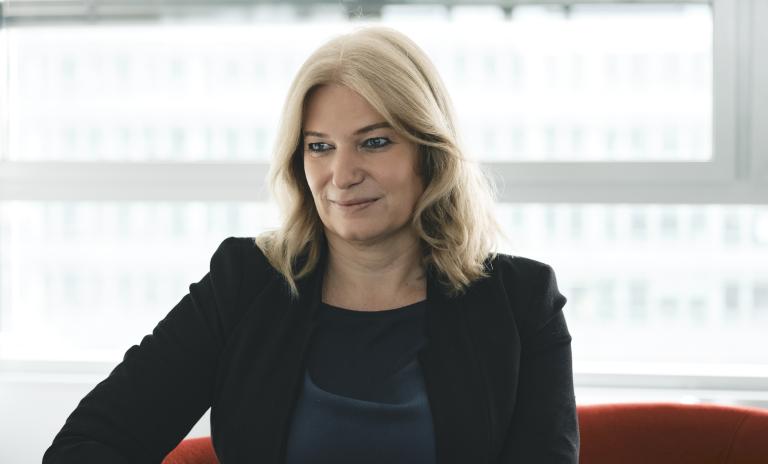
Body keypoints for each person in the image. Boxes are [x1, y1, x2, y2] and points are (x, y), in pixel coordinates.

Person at [43, 26, 578, 463]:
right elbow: (88, 444)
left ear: (429, 153)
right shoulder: (244, 283)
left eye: (374, 142)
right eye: (320, 147)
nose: (341, 175)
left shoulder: (521, 301)